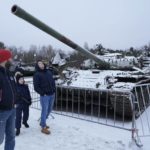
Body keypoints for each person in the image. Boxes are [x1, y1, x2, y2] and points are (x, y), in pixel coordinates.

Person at [33, 60, 55, 135]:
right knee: (44, 111)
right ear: (37, 65)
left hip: (52, 94)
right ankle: (43, 126)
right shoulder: (37, 74)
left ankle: (42, 122)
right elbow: (36, 87)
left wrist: (54, 90)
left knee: (49, 109)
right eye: (39, 63)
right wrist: (43, 93)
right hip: (45, 96)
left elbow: (52, 81)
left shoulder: (48, 72)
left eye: (42, 63)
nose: (41, 65)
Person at [0, 49, 17, 150]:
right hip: (2, 111)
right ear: (4, 59)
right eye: (9, 58)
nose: (11, 59)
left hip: (12, 109)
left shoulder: (8, 73)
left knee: (11, 136)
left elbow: (12, 88)